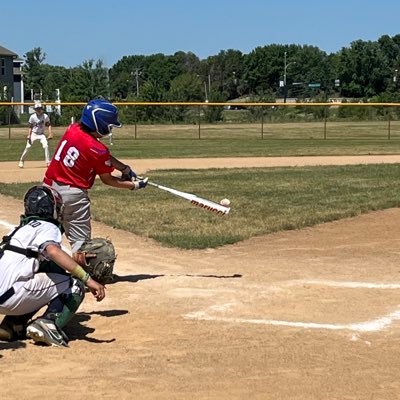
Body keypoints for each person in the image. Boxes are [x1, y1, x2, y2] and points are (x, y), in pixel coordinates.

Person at [0, 185, 105, 347]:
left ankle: (13, 325)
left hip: (6, 294)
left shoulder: (18, 230)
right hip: (11, 297)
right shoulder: (47, 226)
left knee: (47, 271)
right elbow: (54, 251)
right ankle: (49, 323)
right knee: (75, 284)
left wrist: (74, 259)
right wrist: (88, 279)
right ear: (51, 209)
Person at [43, 98, 148, 255]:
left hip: (47, 190)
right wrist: (134, 185)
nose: (110, 129)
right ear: (100, 124)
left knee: (42, 237)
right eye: (109, 125)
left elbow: (103, 156)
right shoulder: (97, 149)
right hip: (73, 197)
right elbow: (108, 180)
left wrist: (124, 168)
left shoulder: (73, 129)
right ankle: (83, 276)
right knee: (82, 247)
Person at [18, 102, 53, 168]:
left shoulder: (45, 116)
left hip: (41, 134)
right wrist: (29, 135)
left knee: (46, 146)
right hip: (33, 134)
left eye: (39, 108)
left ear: (42, 109)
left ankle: (48, 162)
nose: (38, 110)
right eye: (37, 109)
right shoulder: (32, 117)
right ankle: (21, 161)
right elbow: (30, 127)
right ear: (35, 110)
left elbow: (49, 125)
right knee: (28, 147)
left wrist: (50, 133)